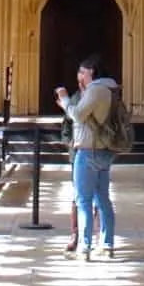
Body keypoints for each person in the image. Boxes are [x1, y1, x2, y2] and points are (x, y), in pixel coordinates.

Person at [55, 55, 119, 261]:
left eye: (83, 71)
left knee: (83, 201)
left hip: (88, 150)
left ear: (93, 71)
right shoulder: (111, 89)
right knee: (103, 199)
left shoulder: (97, 89)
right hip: (103, 150)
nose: (80, 76)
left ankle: (85, 248)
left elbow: (79, 115)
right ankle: (107, 245)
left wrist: (64, 99)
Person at [59, 68, 98, 256]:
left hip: (97, 151)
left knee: (97, 196)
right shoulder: (75, 98)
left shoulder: (99, 97)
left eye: (85, 74)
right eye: (80, 74)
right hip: (78, 153)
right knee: (77, 195)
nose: (81, 78)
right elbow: (66, 125)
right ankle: (75, 234)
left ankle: (93, 236)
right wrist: (69, 141)